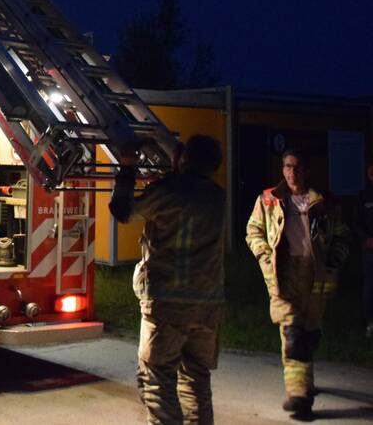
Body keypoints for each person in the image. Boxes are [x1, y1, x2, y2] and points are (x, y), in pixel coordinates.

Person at [110, 134, 225, 425]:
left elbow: (123, 211)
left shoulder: (169, 190)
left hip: (167, 305)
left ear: (184, 159)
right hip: (208, 306)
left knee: (158, 380)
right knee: (196, 380)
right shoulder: (218, 196)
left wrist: (127, 167)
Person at [246, 148, 349, 420]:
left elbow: (342, 233)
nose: (293, 172)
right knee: (292, 334)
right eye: (288, 166)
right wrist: (265, 258)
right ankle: (299, 397)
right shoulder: (268, 200)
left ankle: (306, 384)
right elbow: (253, 231)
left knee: (309, 332)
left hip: (316, 276)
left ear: (307, 170)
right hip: (283, 272)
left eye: (298, 167)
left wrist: (334, 260)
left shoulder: (322, 202)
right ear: (282, 169)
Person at [356, 161, 373, 340]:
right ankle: (370, 323)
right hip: (369, 250)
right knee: (369, 287)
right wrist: (365, 239)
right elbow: (357, 222)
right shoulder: (363, 196)